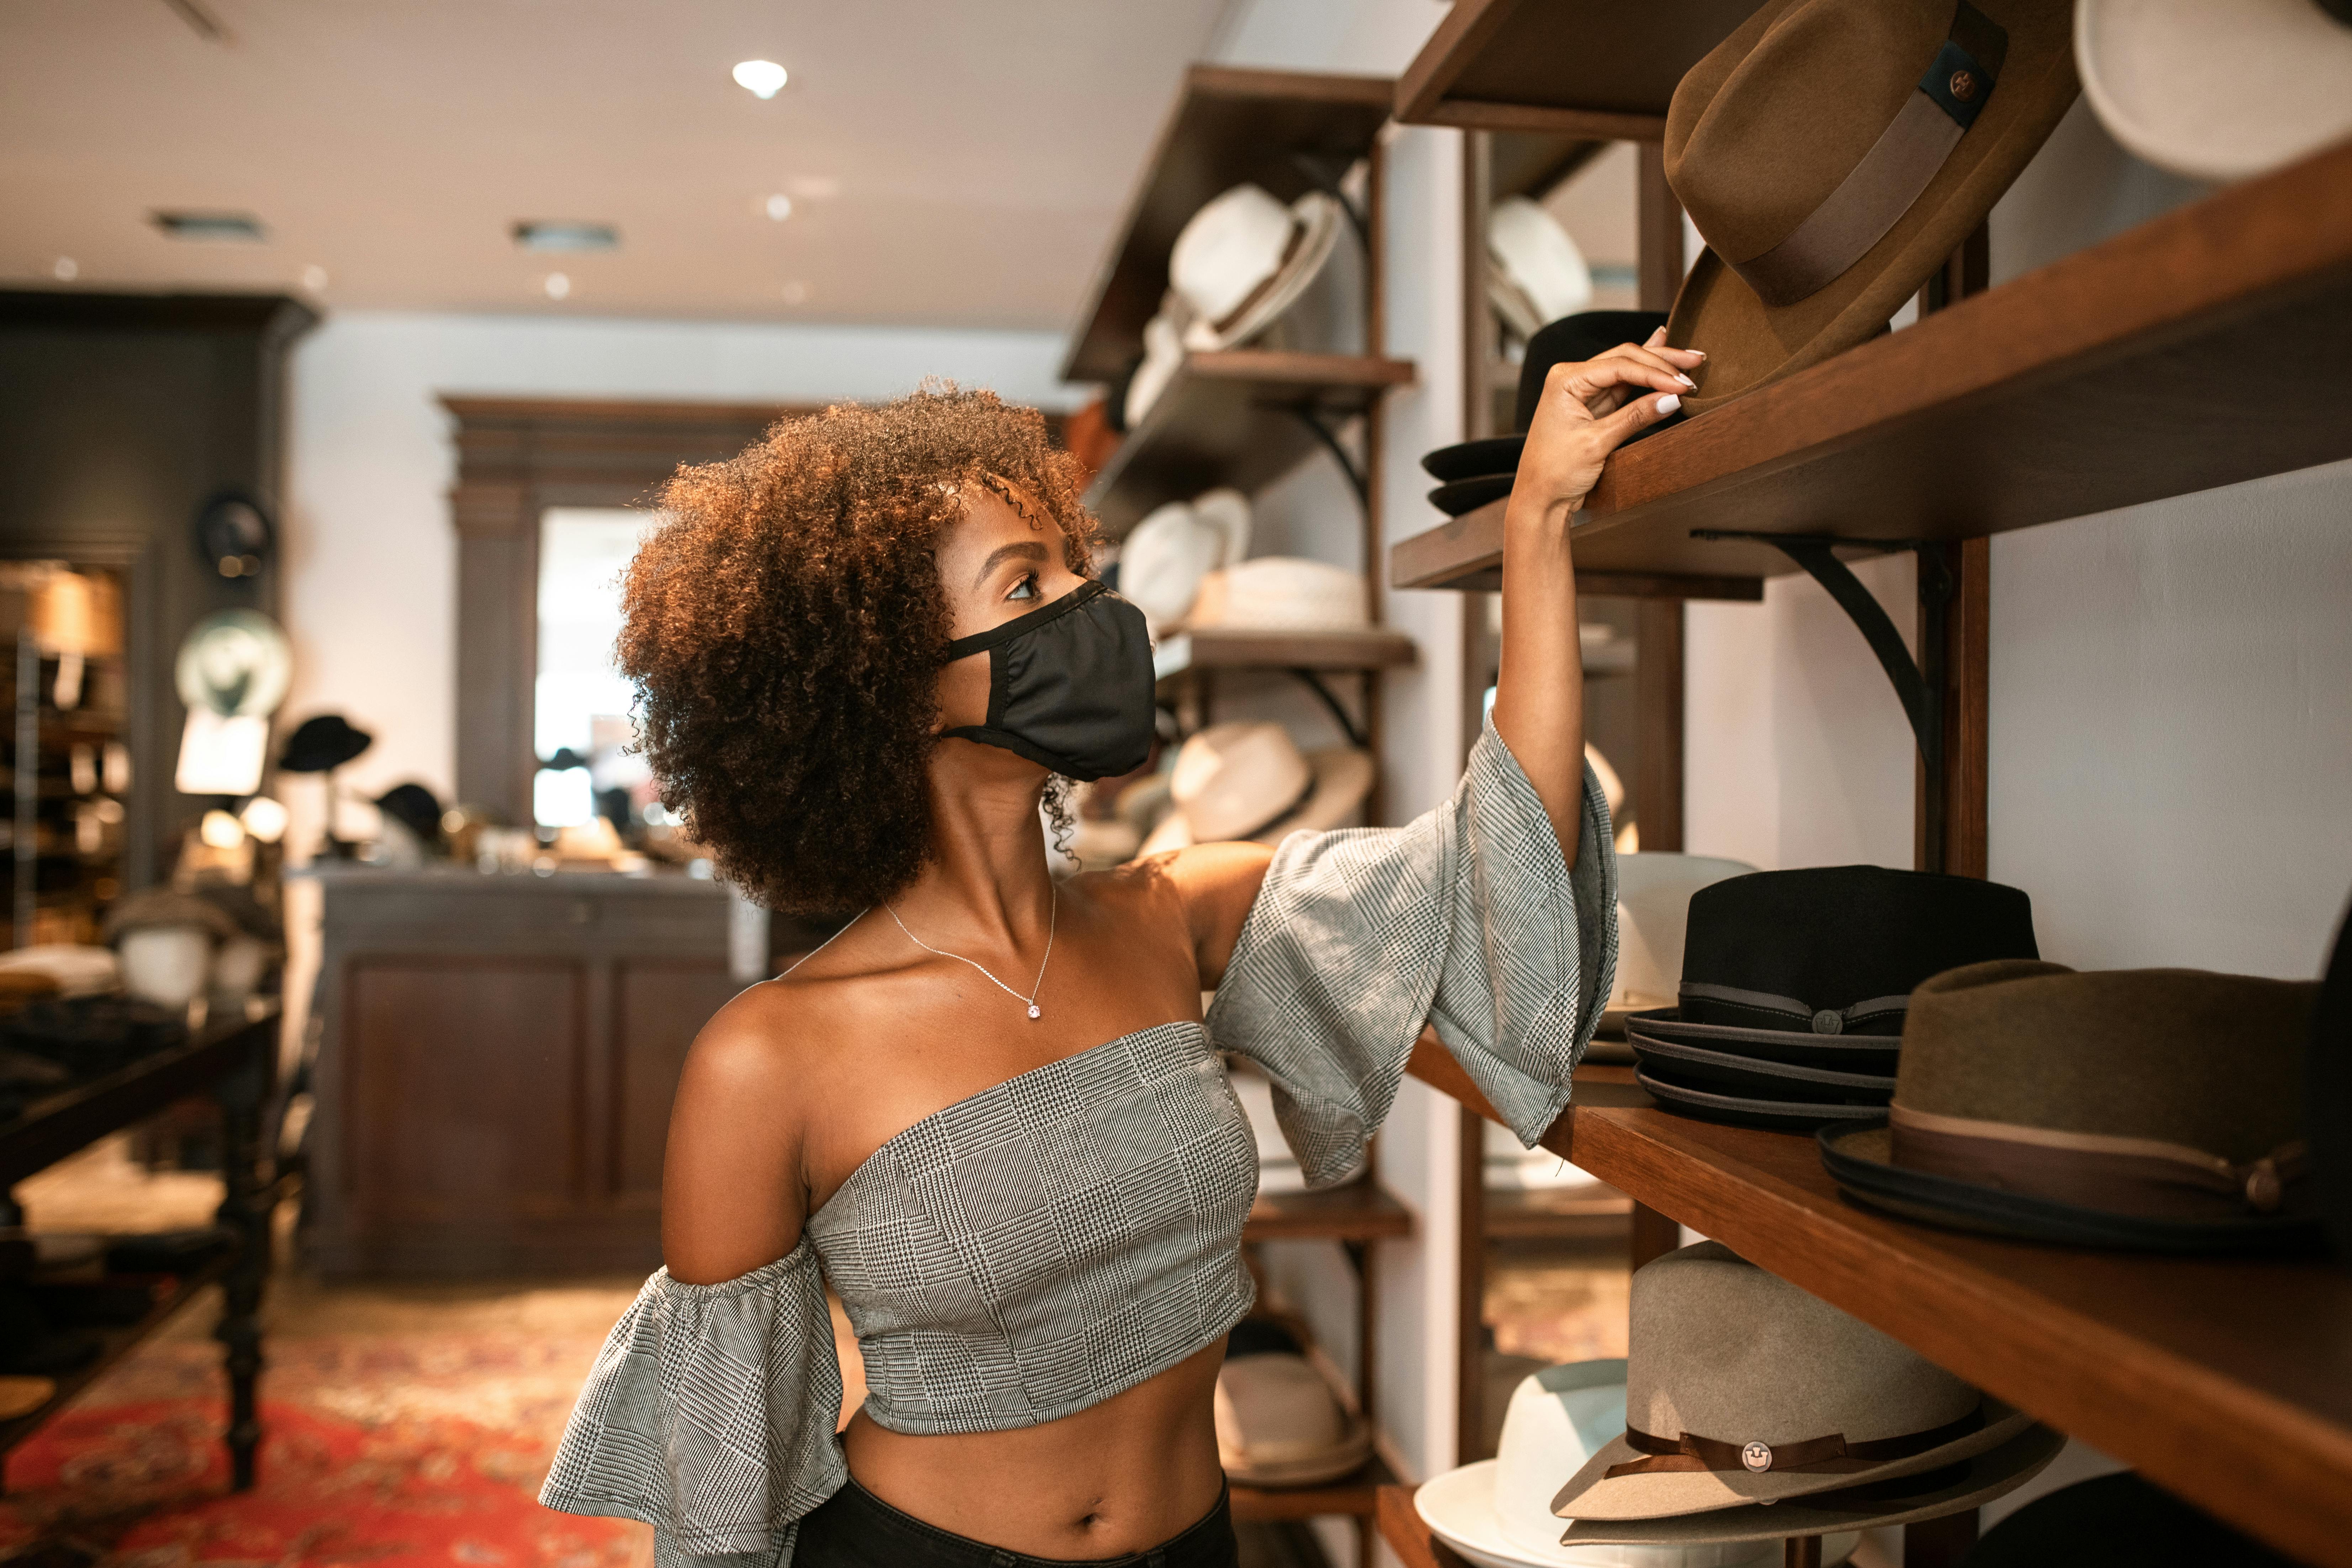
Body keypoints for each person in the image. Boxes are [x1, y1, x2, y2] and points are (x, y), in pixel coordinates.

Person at [539, 333, 1700, 1568]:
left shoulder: (1169, 916)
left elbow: (1498, 870)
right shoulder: (766, 1057)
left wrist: (1536, 524)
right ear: (890, 683)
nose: (1092, 611)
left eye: (1074, 570)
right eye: (1025, 588)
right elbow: (722, 1493)